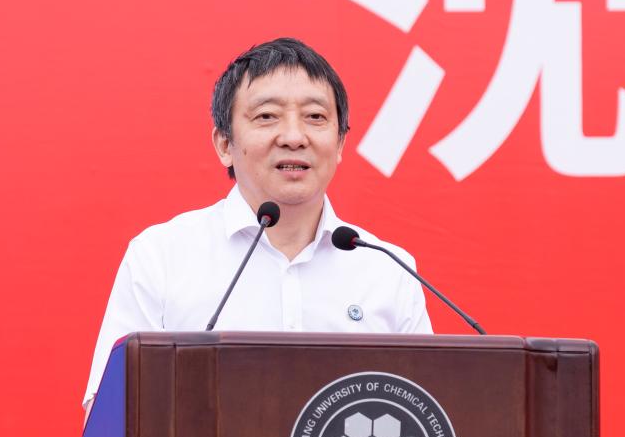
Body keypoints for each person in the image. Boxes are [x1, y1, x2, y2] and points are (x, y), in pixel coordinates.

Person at [83, 37, 432, 414]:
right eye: (267, 116)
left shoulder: (388, 270)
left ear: (340, 143)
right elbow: (111, 416)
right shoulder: (161, 257)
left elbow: (425, 415)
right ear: (224, 144)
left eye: (315, 117)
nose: (294, 137)